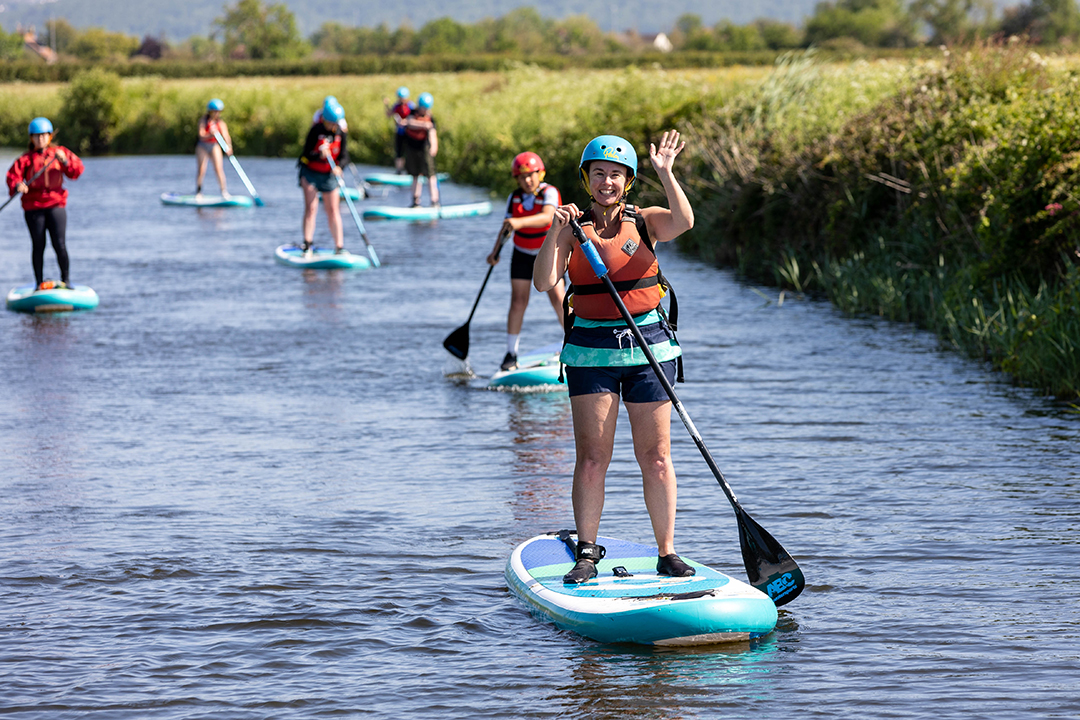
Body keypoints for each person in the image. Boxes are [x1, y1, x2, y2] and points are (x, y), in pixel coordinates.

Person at [533, 131, 694, 584]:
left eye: (616, 175)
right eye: (599, 174)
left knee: (656, 456)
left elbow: (684, 221)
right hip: (591, 352)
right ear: (587, 180)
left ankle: (667, 552)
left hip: (648, 347)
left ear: (628, 182)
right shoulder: (572, 227)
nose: (607, 182)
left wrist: (665, 171)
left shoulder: (645, 222)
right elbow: (545, 281)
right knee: (592, 457)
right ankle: (586, 551)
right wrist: (553, 231)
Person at [487, 151, 565, 371]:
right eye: (522, 177)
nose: (527, 180)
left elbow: (548, 217)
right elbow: (506, 227)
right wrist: (495, 253)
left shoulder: (550, 192)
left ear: (540, 174)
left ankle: (573, 342)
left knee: (558, 298)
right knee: (518, 301)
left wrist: (518, 223)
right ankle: (511, 353)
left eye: (531, 175)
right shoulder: (515, 197)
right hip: (521, 253)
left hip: (548, 253)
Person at [5, 117, 84, 290]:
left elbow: (76, 171)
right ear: (31, 138)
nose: (40, 139)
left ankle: (66, 281)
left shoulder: (59, 153)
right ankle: (39, 283)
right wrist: (18, 185)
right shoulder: (25, 159)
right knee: (38, 244)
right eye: (36, 136)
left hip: (56, 205)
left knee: (59, 243)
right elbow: (13, 177)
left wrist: (65, 161)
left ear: (49, 136)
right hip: (33, 208)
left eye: (43, 135)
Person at [298, 97, 349, 254]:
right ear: (325, 120)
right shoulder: (316, 130)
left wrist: (339, 167)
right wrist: (318, 154)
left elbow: (345, 156)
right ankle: (307, 244)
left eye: (336, 123)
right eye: (331, 123)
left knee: (333, 210)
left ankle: (339, 247)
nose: (334, 127)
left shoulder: (341, 133)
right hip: (311, 174)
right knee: (311, 208)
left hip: (329, 176)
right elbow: (305, 156)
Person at [402, 92, 440, 208]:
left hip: (425, 149)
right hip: (412, 148)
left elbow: (433, 133)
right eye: (423, 108)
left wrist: (434, 147)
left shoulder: (430, 118)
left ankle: (434, 201)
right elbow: (408, 123)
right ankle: (415, 201)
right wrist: (423, 125)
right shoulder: (412, 113)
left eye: (426, 109)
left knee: (430, 175)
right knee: (415, 175)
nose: (424, 111)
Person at [196, 98, 232, 198]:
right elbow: (201, 135)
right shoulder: (203, 121)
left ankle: (224, 192)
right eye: (215, 111)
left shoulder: (221, 123)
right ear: (210, 111)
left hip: (214, 145)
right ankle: (199, 192)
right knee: (201, 169)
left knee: (218, 169)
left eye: (218, 112)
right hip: (203, 146)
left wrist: (229, 147)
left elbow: (226, 136)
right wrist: (211, 135)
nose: (217, 114)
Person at [383, 86, 413, 174]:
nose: (401, 100)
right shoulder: (396, 106)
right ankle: (399, 170)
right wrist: (386, 105)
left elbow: (414, 117)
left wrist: (405, 121)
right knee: (399, 151)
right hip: (399, 132)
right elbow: (389, 114)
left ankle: (410, 169)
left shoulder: (410, 105)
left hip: (409, 132)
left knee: (409, 150)